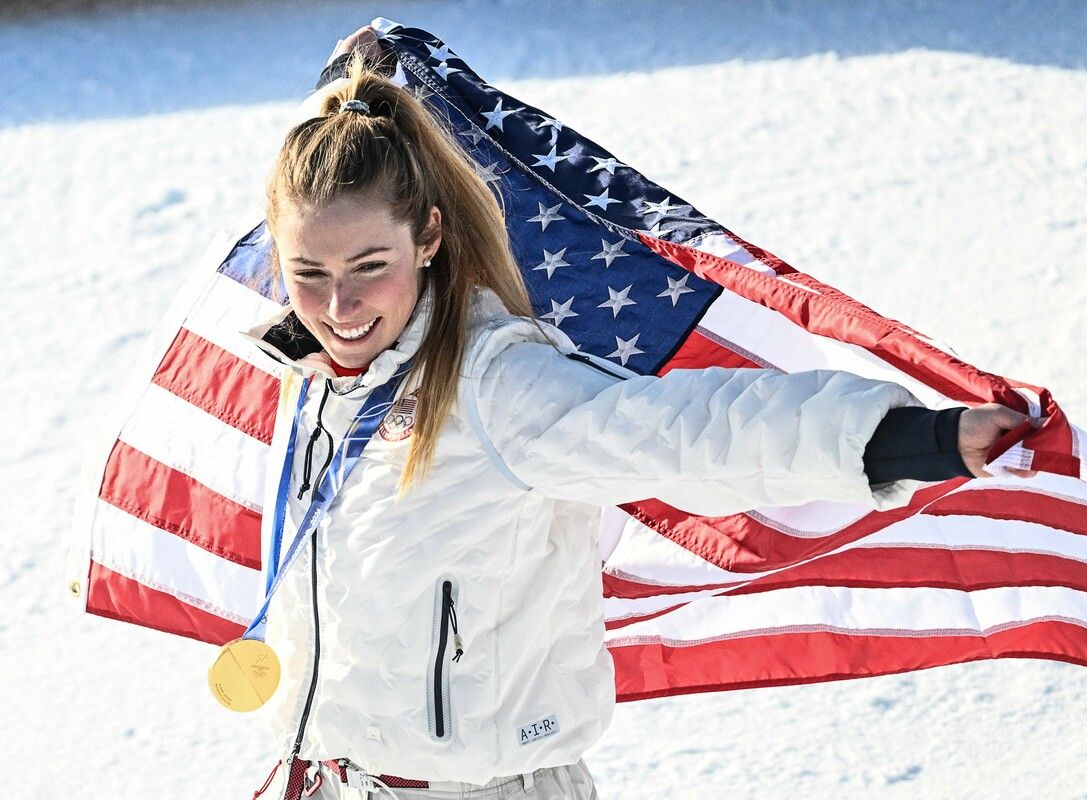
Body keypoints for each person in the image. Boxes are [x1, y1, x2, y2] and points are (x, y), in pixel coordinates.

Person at [248, 29, 1039, 800]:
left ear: (428, 237)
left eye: (369, 267)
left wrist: (907, 439)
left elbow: (687, 431)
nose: (339, 306)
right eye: (307, 272)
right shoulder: (319, 381)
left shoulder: (497, 387)